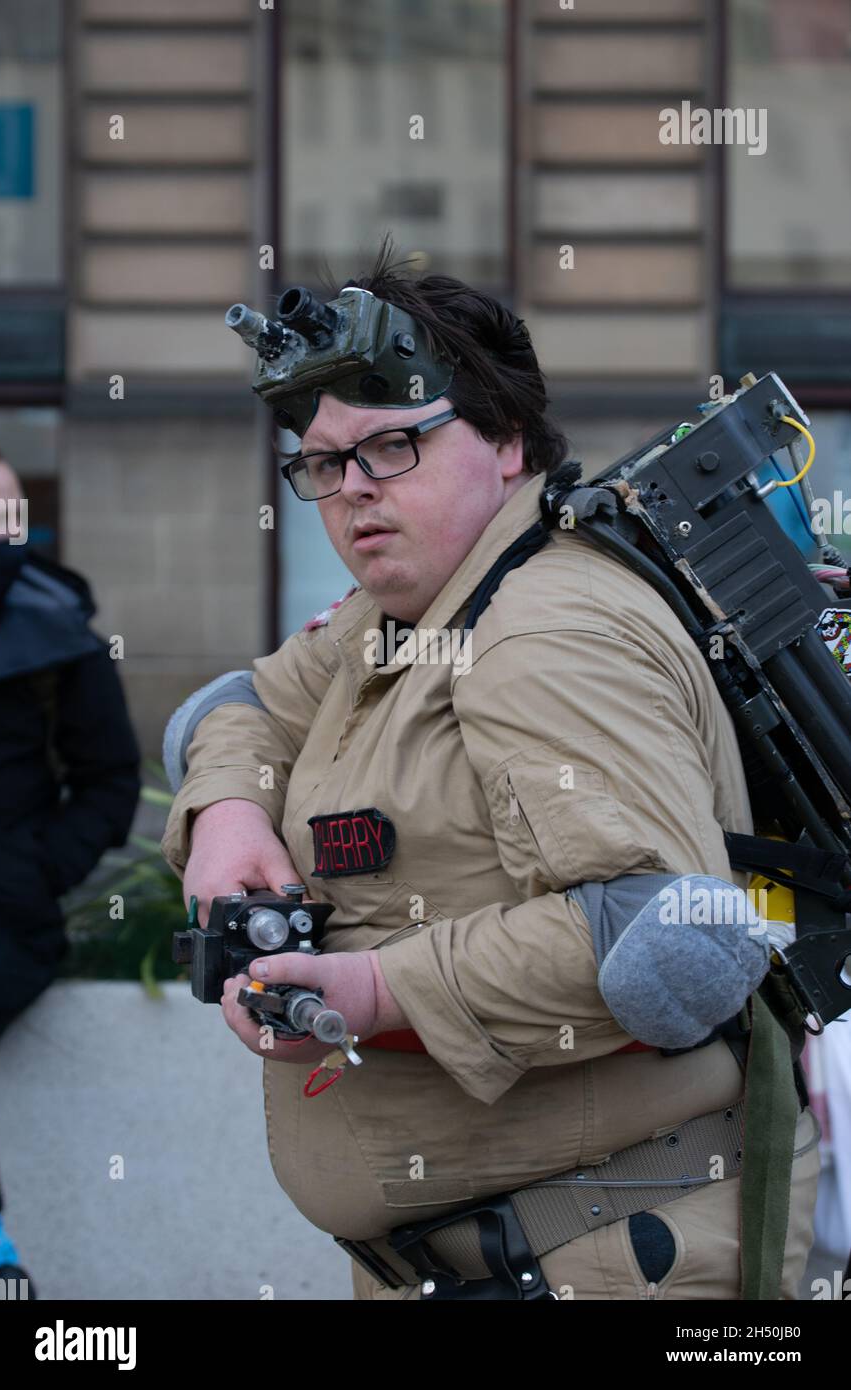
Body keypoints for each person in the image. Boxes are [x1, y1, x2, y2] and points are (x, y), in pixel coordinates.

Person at [161, 247, 819, 1301]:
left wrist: (377, 990)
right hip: (488, 1261)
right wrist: (229, 812)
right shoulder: (405, 612)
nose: (352, 494)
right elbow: (234, 708)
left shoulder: (540, 631)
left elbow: (667, 933)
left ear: (506, 440)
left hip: (604, 1259)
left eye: (389, 447)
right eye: (323, 465)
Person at [0, 444, 141, 1296]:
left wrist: (35, 870)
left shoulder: (59, 637)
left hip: (8, 921)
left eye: (5, 517)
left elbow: (111, 780)